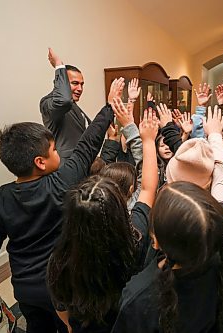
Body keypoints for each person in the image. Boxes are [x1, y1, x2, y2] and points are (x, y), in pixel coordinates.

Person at [0, 79, 124, 333]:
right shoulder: (63, 182)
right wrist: (109, 106)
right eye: (54, 149)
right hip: (66, 284)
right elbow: (88, 144)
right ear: (41, 162)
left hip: (26, 290)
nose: (59, 152)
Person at [47, 107, 159, 332]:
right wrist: (147, 142)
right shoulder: (134, 239)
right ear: (119, 208)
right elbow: (148, 188)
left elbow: (61, 307)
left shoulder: (59, 260)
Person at [40, 48, 109, 158]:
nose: (80, 88)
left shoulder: (73, 106)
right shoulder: (49, 103)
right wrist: (59, 65)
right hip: (67, 167)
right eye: (75, 83)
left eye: (82, 84)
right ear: (62, 83)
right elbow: (63, 100)